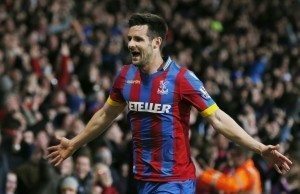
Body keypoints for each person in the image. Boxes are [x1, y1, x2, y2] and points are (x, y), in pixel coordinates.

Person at [47, 13, 292, 194]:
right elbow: (105, 114)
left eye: (139, 39)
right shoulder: (125, 76)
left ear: (156, 43)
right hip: (142, 179)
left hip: (176, 181)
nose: (131, 44)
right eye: (130, 38)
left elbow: (217, 118)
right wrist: (75, 143)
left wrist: (260, 148)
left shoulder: (182, 79)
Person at [198, 145, 262, 193]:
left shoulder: (246, 172)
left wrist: (204, 176)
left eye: (233, 156)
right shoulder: (249, 169)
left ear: (240, 156)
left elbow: (231, 185)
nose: (232, 160)